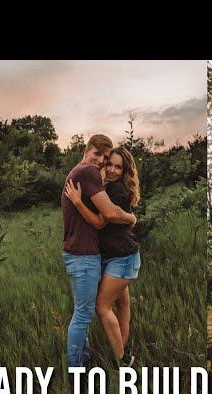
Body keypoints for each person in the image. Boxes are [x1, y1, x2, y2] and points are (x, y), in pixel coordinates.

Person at [61, 135, 136, 369]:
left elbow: (105, 219)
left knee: (114, 305)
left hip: (110, 255)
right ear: (87, 150)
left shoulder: (82, 175)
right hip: (85, 255)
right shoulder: (88, 173)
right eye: (99, 155)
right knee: (86, 314)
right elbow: (106, 219)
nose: (103, 164)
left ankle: (119, 354)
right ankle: (79, 369)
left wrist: (79, 203)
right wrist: (132, 217)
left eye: (109, 160)